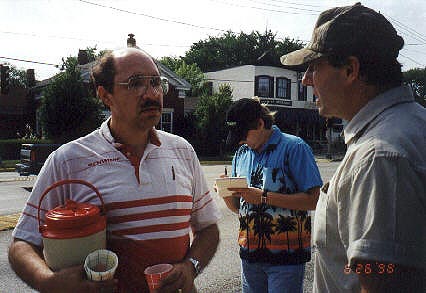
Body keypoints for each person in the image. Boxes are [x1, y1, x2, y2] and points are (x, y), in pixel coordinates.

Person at [8, 48, 221, 293]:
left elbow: (208, 228)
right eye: (135, 83)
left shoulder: (181, 151)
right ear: (105, 95)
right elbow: (22, 243)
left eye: (156, 83)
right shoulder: (69, 160)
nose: (151, 94)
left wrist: (190, 267)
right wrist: (48, 282)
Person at [281, 3, 426, 292]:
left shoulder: (378, 156)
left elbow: (383, 278)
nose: (307, 79)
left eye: (314, 67)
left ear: (350, 70)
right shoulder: (411, 124)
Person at [221, 97, 323, 293]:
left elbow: (314, 199)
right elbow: (238, 207)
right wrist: (226, 193)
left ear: (260, 124)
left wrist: (264, 197)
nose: (240, 141)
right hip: (249, 257)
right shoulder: (241, 154)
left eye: (243, 135)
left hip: (286, 258)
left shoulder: (294, 147)